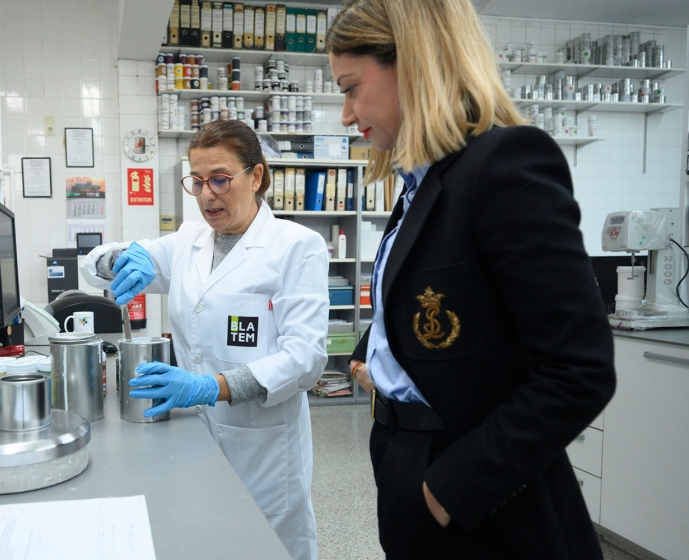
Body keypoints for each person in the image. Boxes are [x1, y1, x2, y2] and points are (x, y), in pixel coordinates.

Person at [327, 1, 616, 558]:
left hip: (481, 495)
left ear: (410, 63)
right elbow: (426, 293)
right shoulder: (419, 185)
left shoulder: (504, 165)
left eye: (351, 87)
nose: (346, 113)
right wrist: (376, 356)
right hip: (403, 450)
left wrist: (448, 490)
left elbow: (578, 370)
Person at [80, 120, 328, 560]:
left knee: (262, 548)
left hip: (264, 448)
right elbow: (93, 261)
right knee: (202, 539)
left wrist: (211, 386)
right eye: (196, 181)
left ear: (256, 176)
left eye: (220, 179)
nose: (207, 194)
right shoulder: (188, 242)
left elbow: (305, 359)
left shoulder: (296, 246)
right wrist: (120, 257)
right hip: (192, 438)